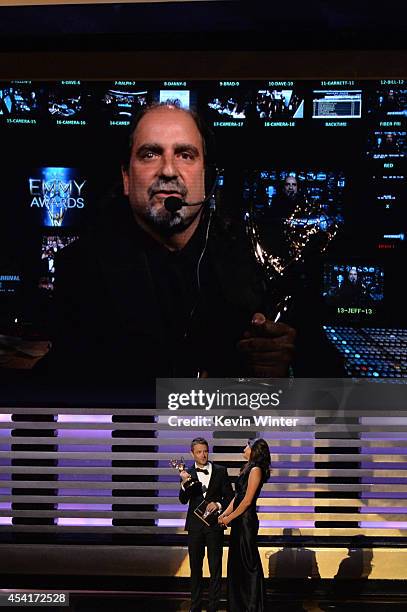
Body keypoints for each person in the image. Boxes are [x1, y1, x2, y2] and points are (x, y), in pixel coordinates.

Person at [37, 102, 298, 390]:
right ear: (126, 177)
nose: (169, 170)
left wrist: (283, 374)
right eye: (150, 154)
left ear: (206, 176)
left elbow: (332, 381)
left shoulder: (265, 264)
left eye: (185, 155)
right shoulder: (80, 268)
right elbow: (65, 389)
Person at [179, 437, 234, 612]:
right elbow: (182, 500)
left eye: (205, 451)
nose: (203, 455)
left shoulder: (220, 471)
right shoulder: (187, 472)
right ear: (192, 453)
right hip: (195, 528)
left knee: (215, 568)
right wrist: (184, 483)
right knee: (195, 568)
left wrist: (218, 505)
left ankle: (213, 607)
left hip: (214, 526)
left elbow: (230, 498)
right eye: (199, 452)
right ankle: (195, 606)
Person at [218, 438, 271, 612]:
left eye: (247, 445)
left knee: (248, 563)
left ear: (254, 450)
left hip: (246, 521)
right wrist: (224, 514)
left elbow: (247, 501)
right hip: (239, 521)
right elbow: (238, 497)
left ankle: (252, 606)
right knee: (237, 563)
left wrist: (230, 518)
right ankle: (238, 605)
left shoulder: (256, 470)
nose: (244, 448)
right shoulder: (246, 468)